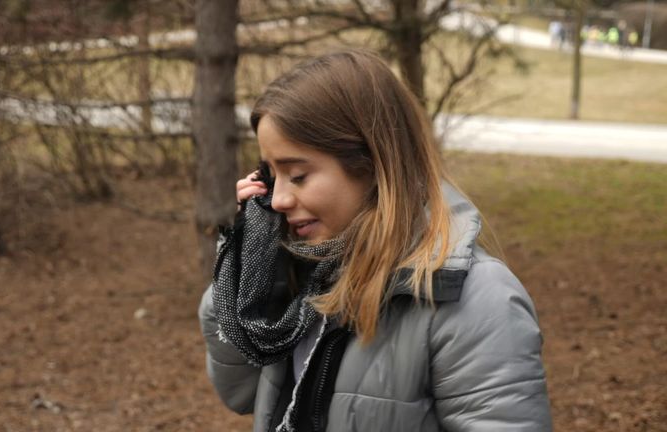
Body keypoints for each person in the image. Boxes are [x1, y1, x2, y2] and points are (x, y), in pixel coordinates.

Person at [199, 49, 552, 432]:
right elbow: (241, 392)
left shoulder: (476, 300)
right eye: (271, 176)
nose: (279, 200)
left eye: (297, 175)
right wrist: (248, 262)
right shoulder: (308, 277)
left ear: (370, 165)